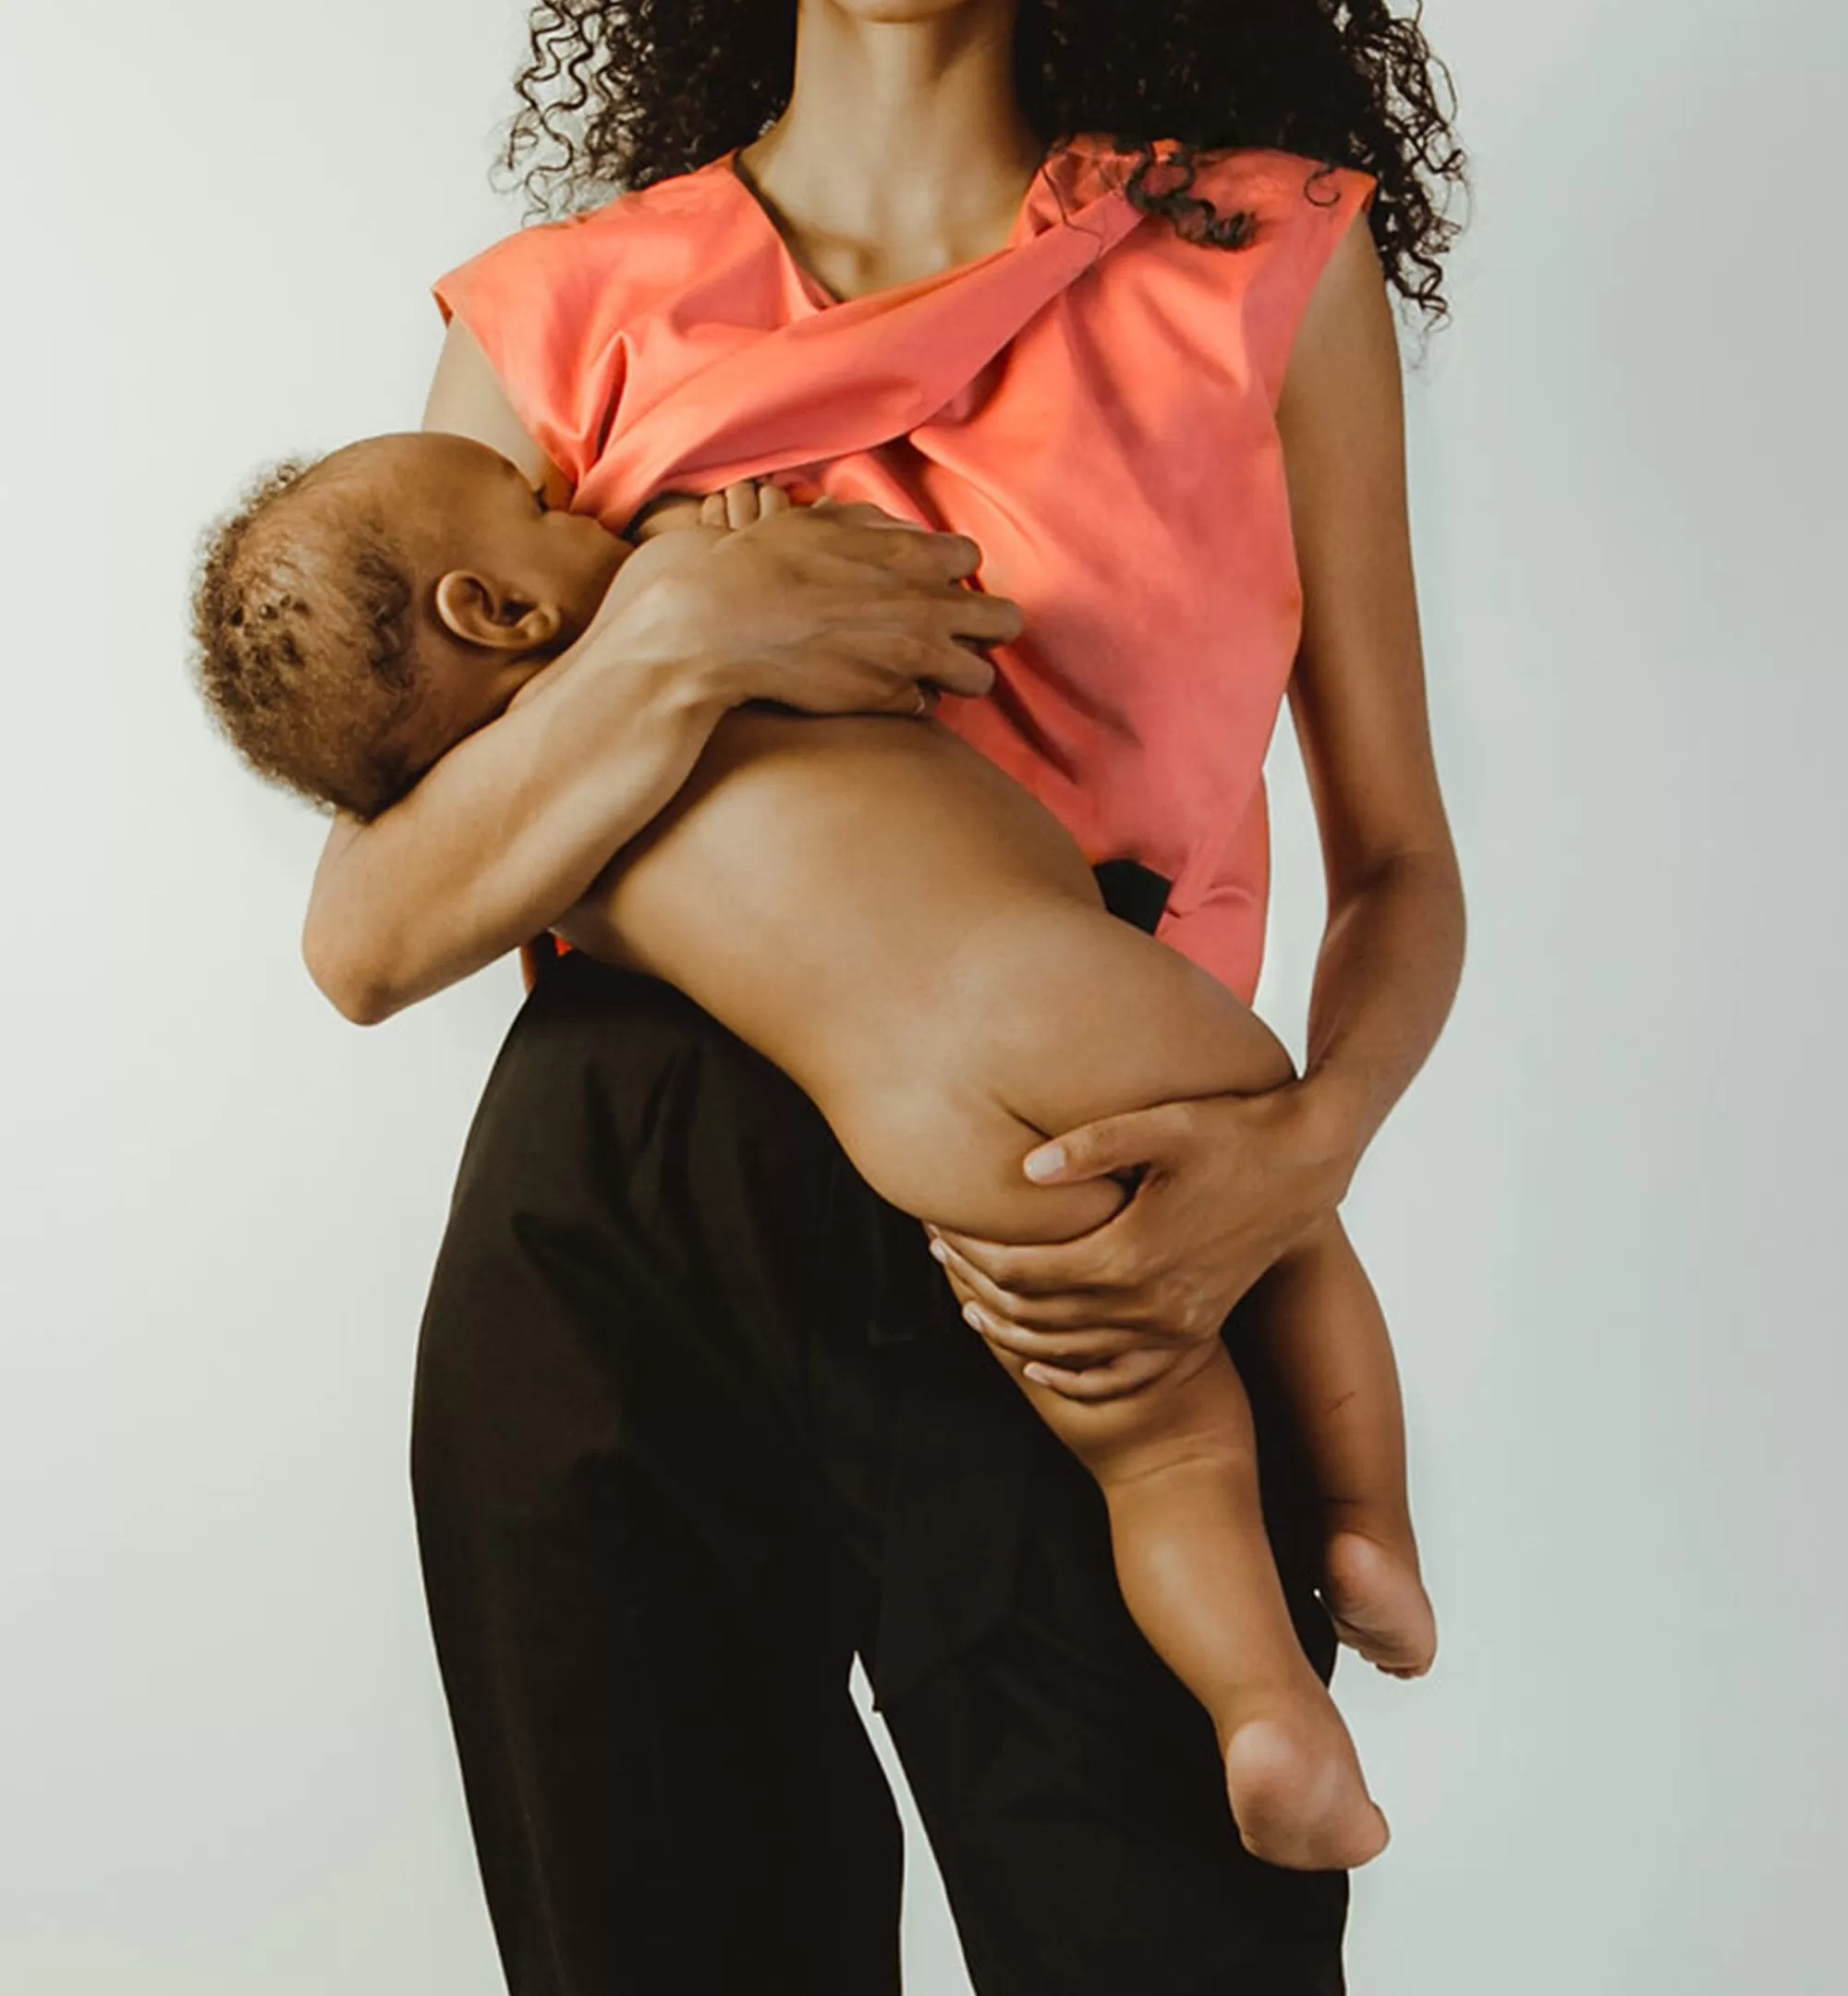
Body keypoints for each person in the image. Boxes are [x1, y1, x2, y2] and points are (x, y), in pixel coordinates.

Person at [288, 0, 1468, 1996]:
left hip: (1088, 1185)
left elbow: (1400, 862)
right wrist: (683, 641)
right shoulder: (566, 310)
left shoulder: (1255, 250)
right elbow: (368, 927)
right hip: (609, 1213)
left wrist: (1298, 1159)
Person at [191, 441, 1436, 1869]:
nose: (578, 505)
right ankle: (1364, 1527)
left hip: (913, 1135)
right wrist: (737, 535)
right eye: (540, 512)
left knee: (1160, 1447)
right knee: (1279, 1221)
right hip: (1059, 989)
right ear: (497, 608)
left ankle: (1265, 1712)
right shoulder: (697, 609)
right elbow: (909, 651)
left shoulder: (543, 835)